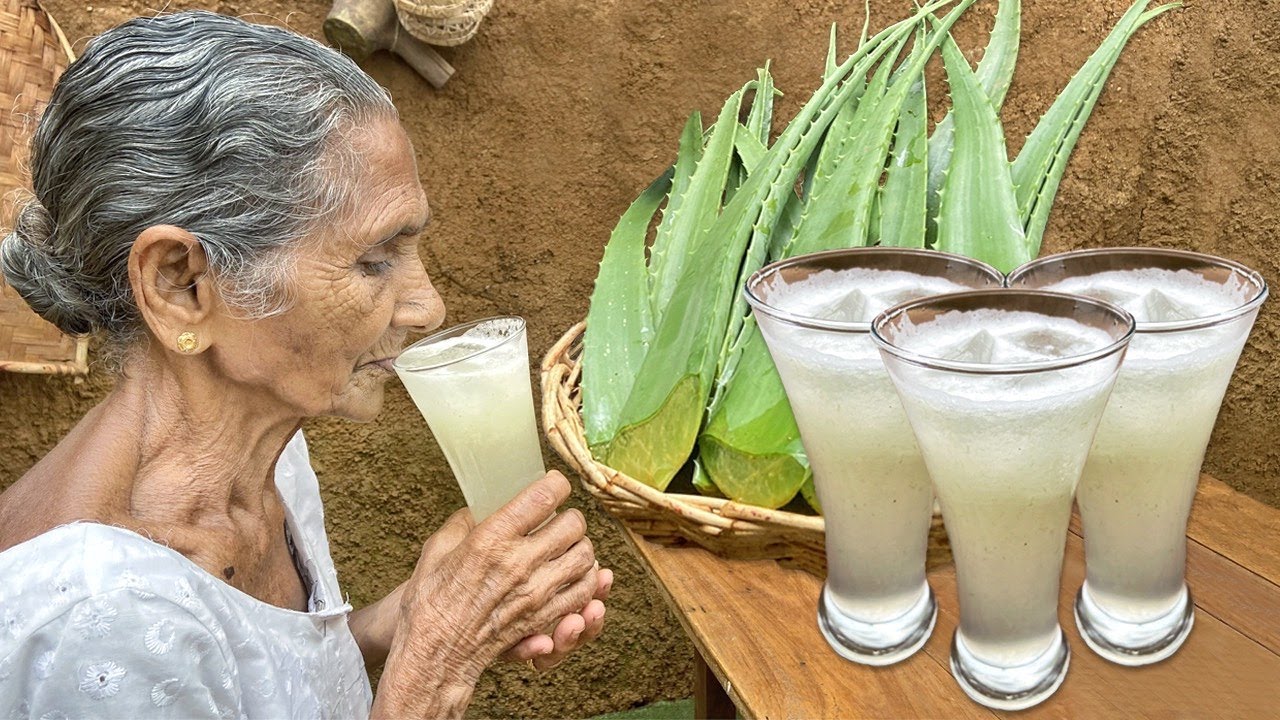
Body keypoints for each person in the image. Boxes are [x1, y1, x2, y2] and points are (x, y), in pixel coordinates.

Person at [0, 11, 611, 718]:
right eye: (374, 259)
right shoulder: (98, 623)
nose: (429, 306)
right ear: (180, 285)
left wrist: (401, 618)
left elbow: (259, 680)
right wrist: (436, 666)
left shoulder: (268, 457)